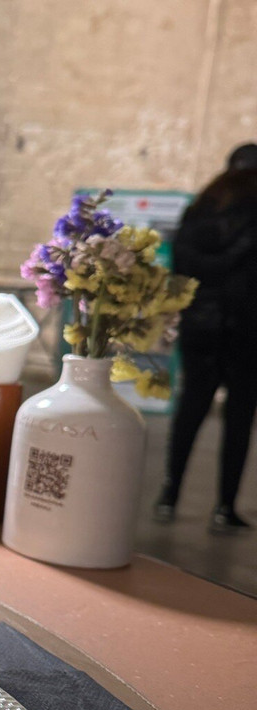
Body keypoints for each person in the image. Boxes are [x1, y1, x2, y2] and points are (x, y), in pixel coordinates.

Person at [155, 144, 257, 533]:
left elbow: (182, 265)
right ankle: (225, 506)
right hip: (246, 329)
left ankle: (169, 495)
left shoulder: (201, 207)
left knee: (191, 409)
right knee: (238, 418)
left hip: (200, 324)